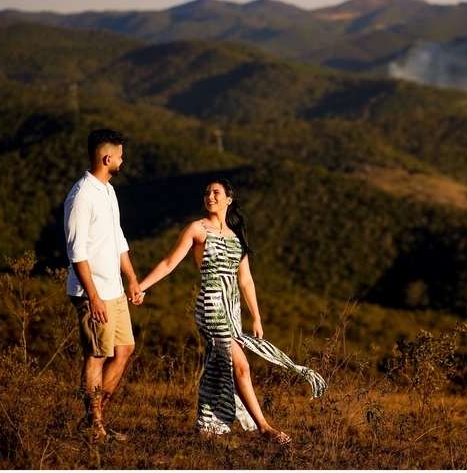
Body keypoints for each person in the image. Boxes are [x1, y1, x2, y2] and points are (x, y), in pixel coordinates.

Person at [138, 178, 326, 444]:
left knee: (218, 364)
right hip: (211, 306)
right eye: (207, 193)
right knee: (241, 365)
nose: (210, 196)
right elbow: (169, 263)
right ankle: (264, 427)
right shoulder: (197, 228)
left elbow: (246, 280)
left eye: (216, 192)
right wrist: (141, 287)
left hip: (233, 309)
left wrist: (257, 317)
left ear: (229, 199)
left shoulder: (237, 238)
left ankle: (206, 425)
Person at [64, 128, 143, 442]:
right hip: (93, 292)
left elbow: (117, 239)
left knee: (124, 349)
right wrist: (93, 297)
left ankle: (95, 419)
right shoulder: (81, 196)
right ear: (107, 158)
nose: (122, 160)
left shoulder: (107, 190)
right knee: (96, 356)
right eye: (120, 155)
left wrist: (133, 279)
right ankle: (95, 426)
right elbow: (76, 252)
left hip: (115, 290)